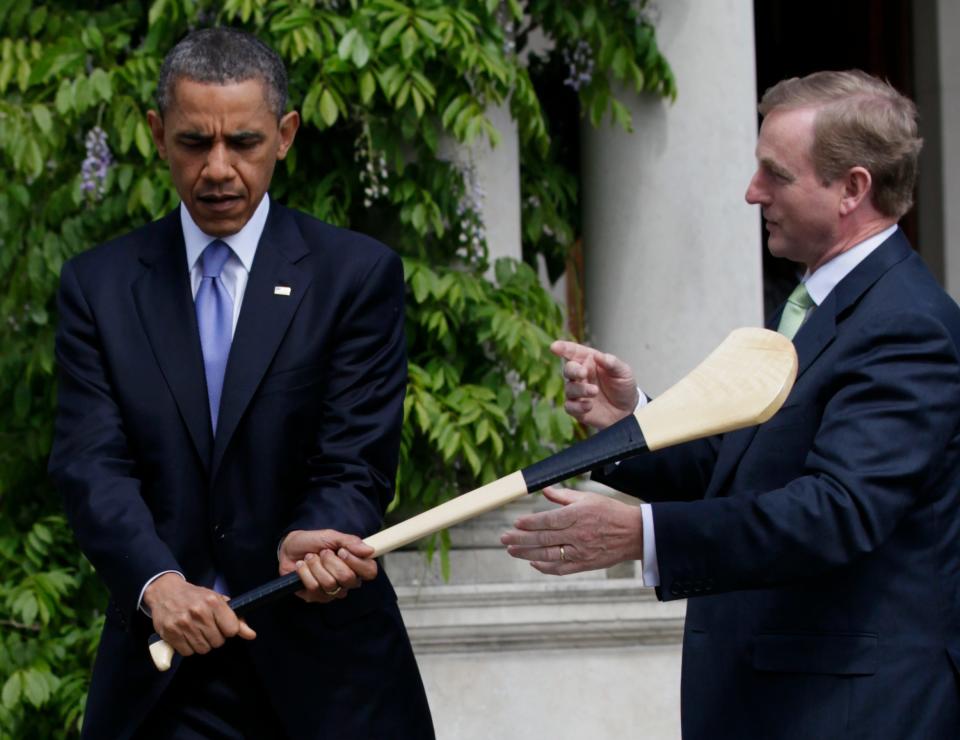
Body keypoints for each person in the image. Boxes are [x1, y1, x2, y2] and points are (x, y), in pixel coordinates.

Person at [502, 69, 960, 738]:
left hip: (852, 710)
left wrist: (645, 535)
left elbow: (837, 511)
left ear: (853, 189)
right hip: (776, 699)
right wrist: (630, 422)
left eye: (776, 174)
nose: (753, 192)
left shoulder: (907, 324)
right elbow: (741, 464)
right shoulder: (817, 303)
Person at [48, 27, 433, 740]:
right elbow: (89, 462)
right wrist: (157, 584)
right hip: (166, 674)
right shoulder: (98, 288)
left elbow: (355, 460)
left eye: (245, 143)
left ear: (284, 135)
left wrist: (321, 537)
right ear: (158, 135)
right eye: (195, 143)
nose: (218, 169)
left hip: (328, 670)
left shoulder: (355, 275)